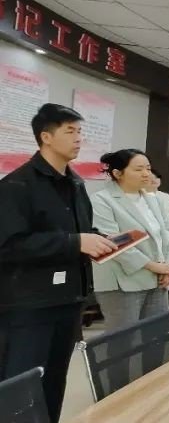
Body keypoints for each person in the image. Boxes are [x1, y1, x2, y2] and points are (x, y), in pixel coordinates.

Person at [0, 104, 117, 422]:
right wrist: (76, 242)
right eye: (70, 131)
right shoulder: (17, 186)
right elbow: (9, 245)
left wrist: (97, 241)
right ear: (46, 137)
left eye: (80, 131)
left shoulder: (75, 184)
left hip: (68, 300)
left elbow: (76, 231)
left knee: (53, 383)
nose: (79, 138)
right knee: (22, 387)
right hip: (29, 306)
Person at [91, 149, 169, 330]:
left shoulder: (153, 200)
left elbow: (168, 235)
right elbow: (112, 243)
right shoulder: (101, 200)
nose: (146, 174)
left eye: (148, 168)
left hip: (158, 279)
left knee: (156, 336)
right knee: (125, 339)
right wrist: (154, 266)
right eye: (139, 169)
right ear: (118, 173)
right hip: (122, 282)